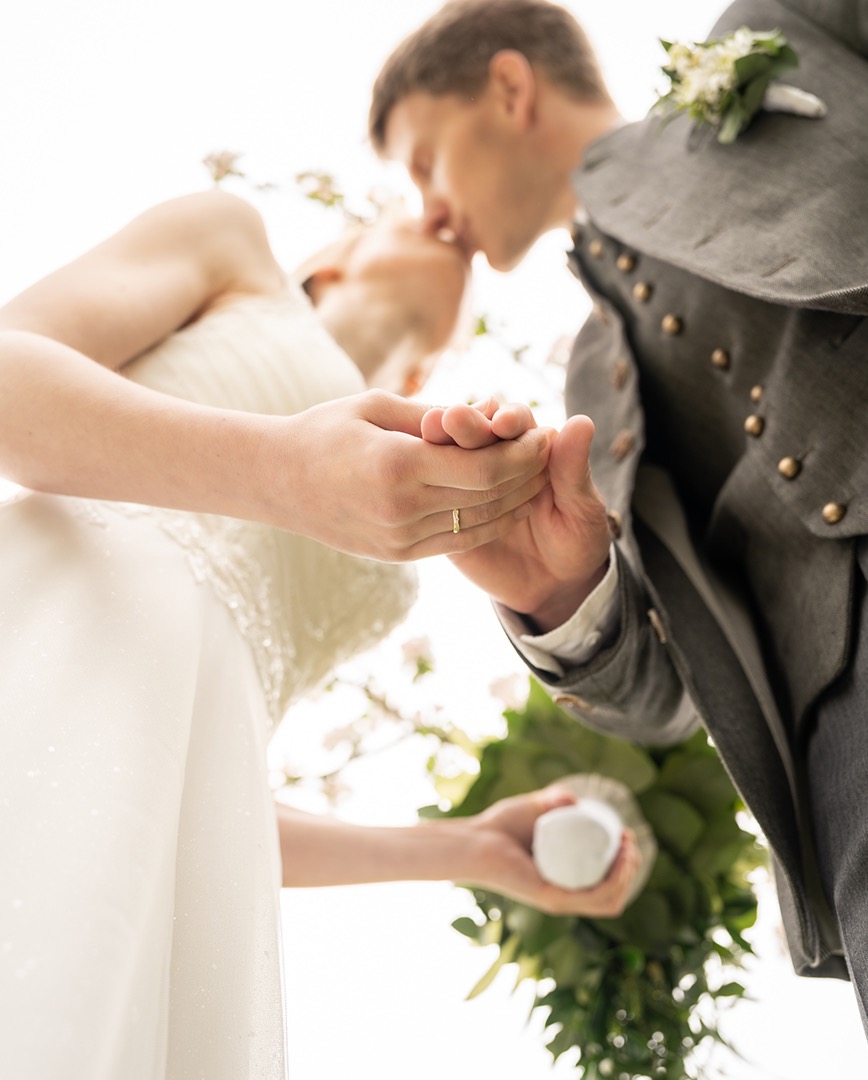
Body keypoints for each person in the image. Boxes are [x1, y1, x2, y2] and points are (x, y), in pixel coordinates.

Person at [0, 191, 641, 1079]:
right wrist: (279, 471)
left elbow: (209, 778)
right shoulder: (233, 248)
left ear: (429, 373)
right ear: (337, 257)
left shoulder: (400, 520)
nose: (444, 208)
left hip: (152, 846)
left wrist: (462, 847)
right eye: (412, 199)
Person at [370, 0, 868, 1037]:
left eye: (424, 162)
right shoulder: (591, 383)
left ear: (508, 89)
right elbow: (667, 702)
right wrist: (550, 593)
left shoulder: (772, 29)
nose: (427, 213)